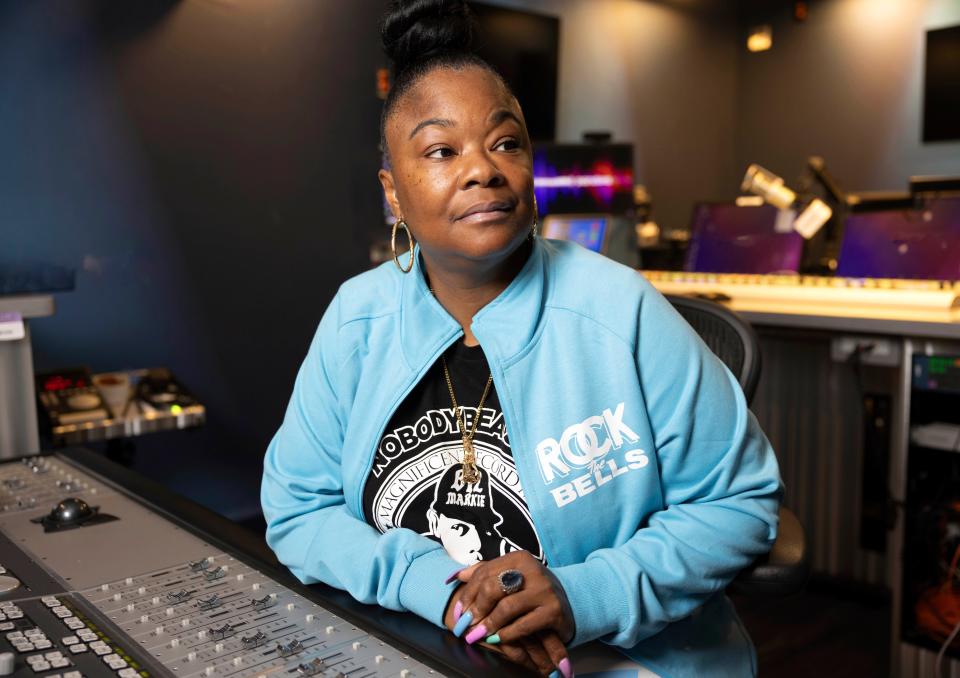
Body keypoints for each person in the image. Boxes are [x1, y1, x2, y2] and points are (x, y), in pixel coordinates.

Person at [261, 1, 783, 676]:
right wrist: (441, 592)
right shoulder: (356, 318)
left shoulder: (620, 310)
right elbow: (297, 509)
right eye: (442, 150)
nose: (484, 169)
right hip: (430, 648)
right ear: (393, 192)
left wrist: (581, 596)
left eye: (505, 142)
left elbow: (739, 503)